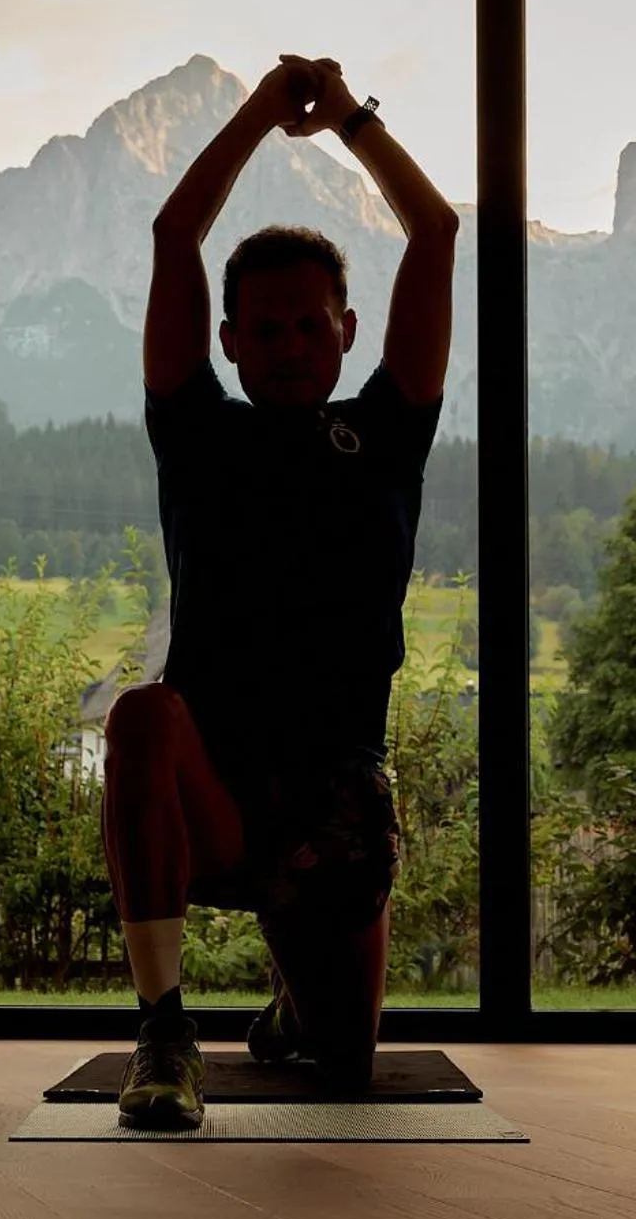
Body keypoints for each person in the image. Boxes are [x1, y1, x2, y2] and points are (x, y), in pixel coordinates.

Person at [105, 54, 457, 1129]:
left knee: (343, 1064)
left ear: (345, 329)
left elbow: (436, 233)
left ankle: (296, 1010)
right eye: (265, 328)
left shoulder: (386, 432)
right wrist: (260, 112)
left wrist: (347, 118)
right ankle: (165, 1030)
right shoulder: (197, 430)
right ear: (229, 343)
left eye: (310, 323)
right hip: (211, 791)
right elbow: (175, 239)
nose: (291, 344)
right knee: (142, 715)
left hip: (333, 797)